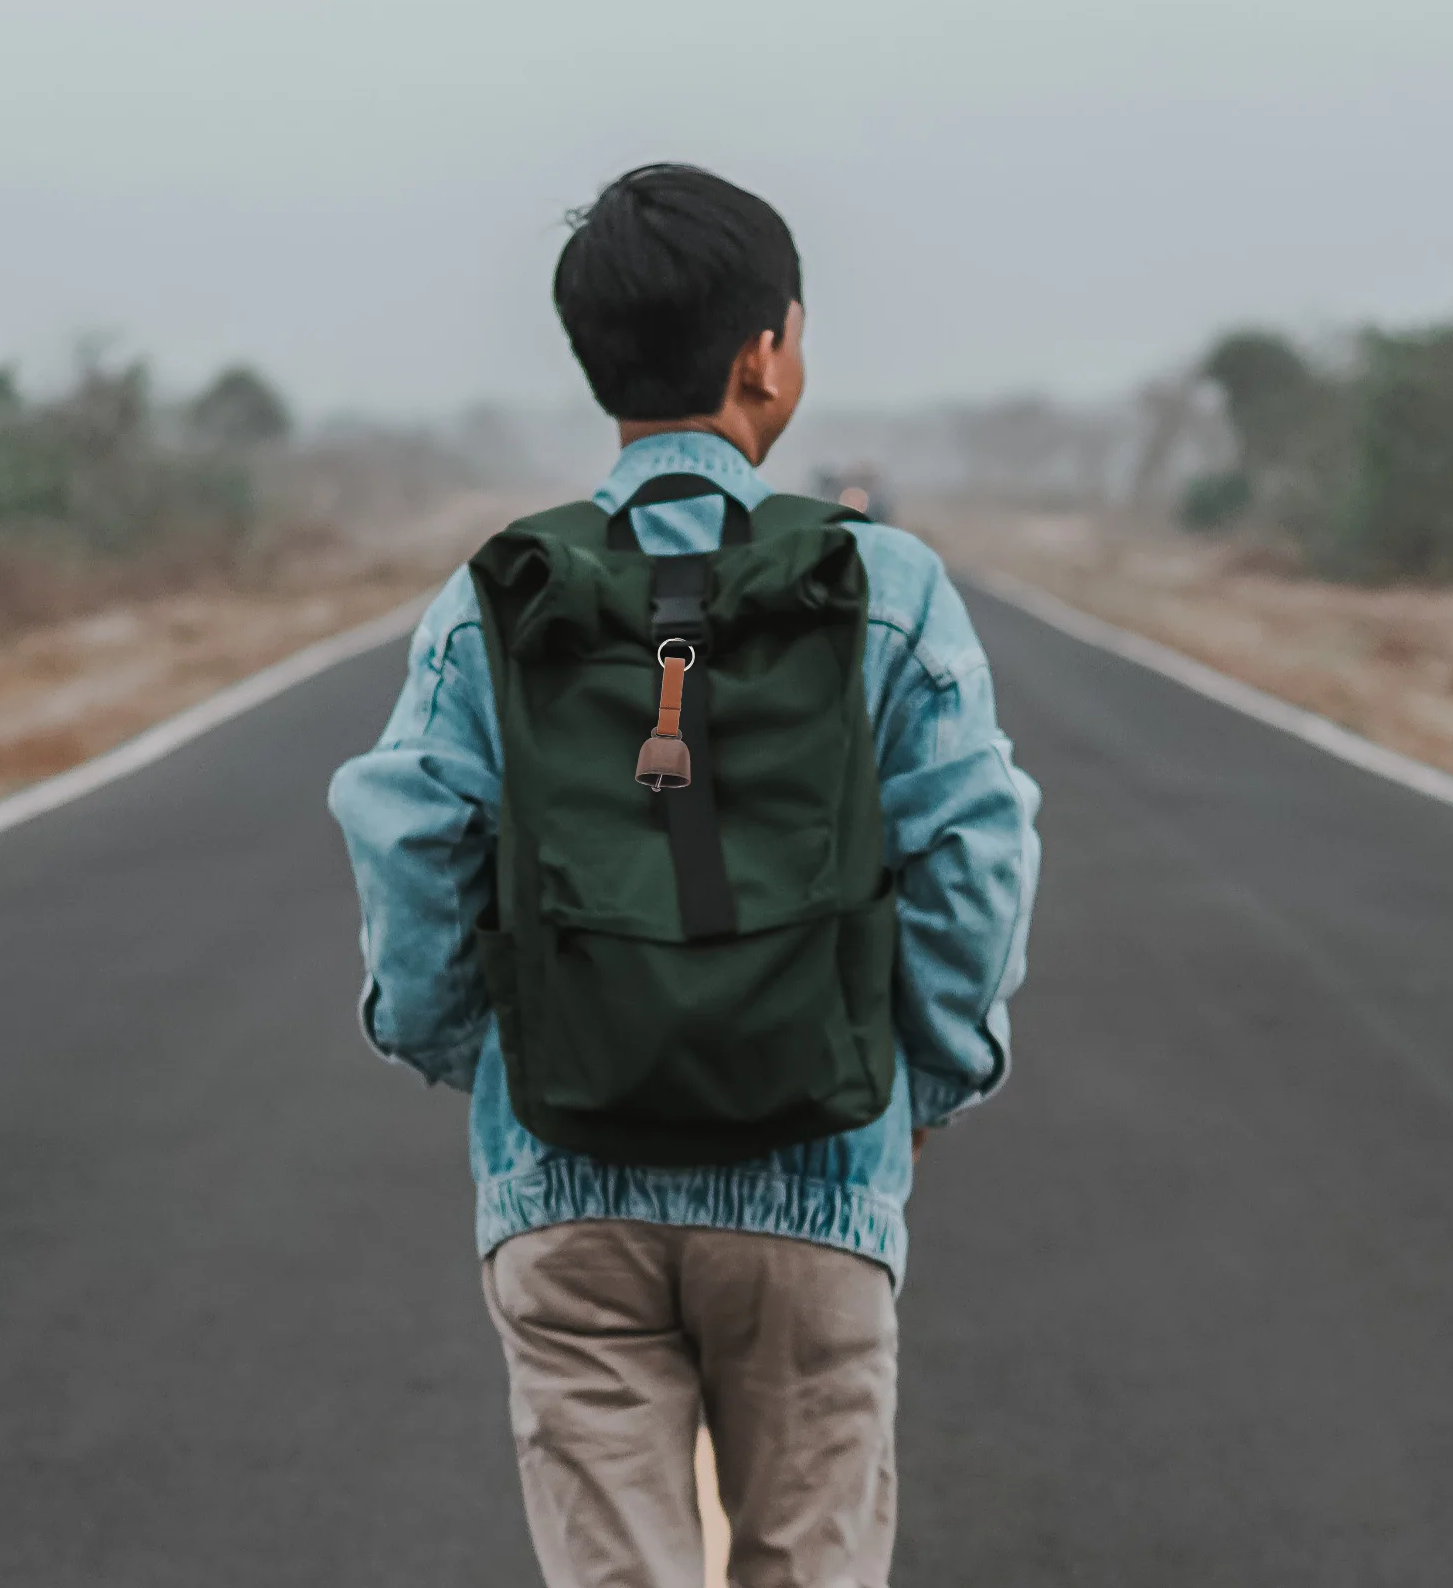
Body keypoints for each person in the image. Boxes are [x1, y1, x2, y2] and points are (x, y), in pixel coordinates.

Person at [328, 163, 1041, 1588]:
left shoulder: (498, 593)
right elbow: (976, 853)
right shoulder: (886, 587)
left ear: (597, 359)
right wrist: (923, 1081)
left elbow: (408, 838)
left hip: (565, 1183)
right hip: (816, 1176)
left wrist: (493, 1053)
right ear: (765, 355)